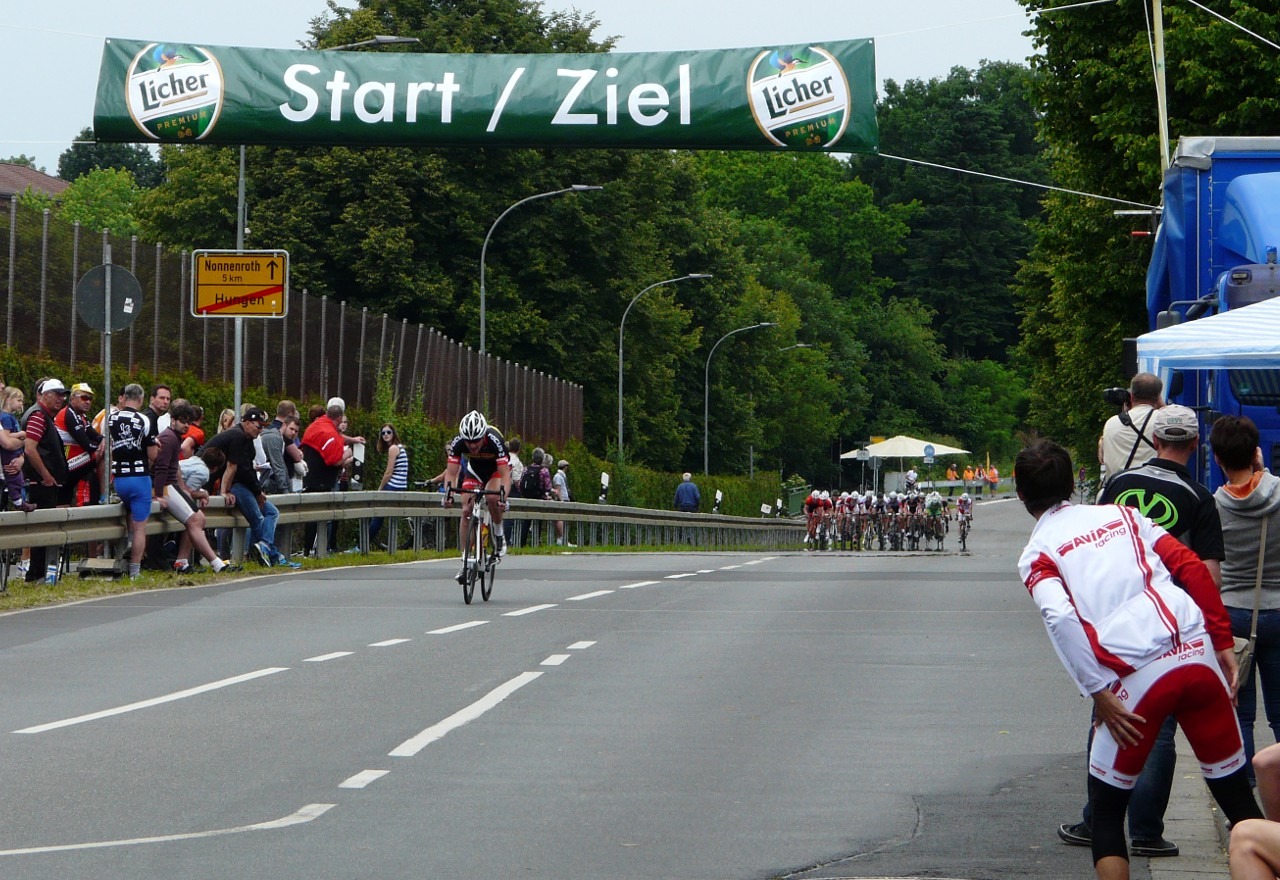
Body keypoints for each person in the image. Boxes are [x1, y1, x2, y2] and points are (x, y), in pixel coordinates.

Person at [1015, 439, 1261, 880]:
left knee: (1108, 814)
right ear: (1074, 482)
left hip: (1136, 678)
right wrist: (1222, 642)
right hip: (1195, 651)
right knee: (1236, 796)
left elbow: (1059, 615)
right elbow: (1188, 564)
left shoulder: (1038, 552)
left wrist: (1098, 692)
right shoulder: (1123, 515)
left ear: (1019, 492)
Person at [1058, 405, 1224, 857]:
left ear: (1154, 440)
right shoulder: (1198, 496)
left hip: (1113, 618)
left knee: (1108, 716)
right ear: (1194, 445)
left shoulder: (1117, 483)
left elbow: (1089, 546)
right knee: (1161, 728)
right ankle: (1147, 832)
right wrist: (1212, 633)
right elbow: (1206, 573)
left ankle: (1096, 821)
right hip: (1168, 623)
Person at [1210, 414, 1280, 781]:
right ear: (1256, 452)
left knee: (1242, 713)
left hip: (1233, 614)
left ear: (1218, 459)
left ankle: (1245, 797)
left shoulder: (1213, 507)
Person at [205, 406, 301, 570]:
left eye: (264, 426)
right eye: (259, 426)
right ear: (247, 422)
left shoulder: (247, 440)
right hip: (234, 484)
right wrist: (228, 491)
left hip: (239, 483)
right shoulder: (238, 436)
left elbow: (244, 468)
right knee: (258, 518)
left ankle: (265, 547)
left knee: (272, 512)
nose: (261, 430)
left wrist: (257, 491)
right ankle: (271, 554)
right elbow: (236, 468)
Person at [152, 402, 237, 574]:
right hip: (167, 488)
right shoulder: (169, 439)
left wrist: (183, 489)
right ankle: (216, 563)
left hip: (172, 486)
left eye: (188, 422)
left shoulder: (174, 437)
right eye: (182, 421)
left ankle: (182, 561)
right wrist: (158, 494)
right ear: (173, 420)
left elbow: (175, 467)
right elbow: (160, 468)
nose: (185, 425)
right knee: (196, 520)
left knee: (198, 519)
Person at [442, 410, 511, 583]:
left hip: (496, 471)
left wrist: (503, 498)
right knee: (465, 510)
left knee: (493, 498)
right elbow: (451, 474)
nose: (472, 446)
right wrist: (448, 495)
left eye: (476, 441)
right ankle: (465, 561)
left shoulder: (495, 440)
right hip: (475, 471)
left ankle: (498, 533)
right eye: (469, 442)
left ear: (483, 435)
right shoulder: (458, 442)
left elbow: (505, 475)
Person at [23, 378, 70, 582]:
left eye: (63, 394)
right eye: (56, 394)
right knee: (43, 532)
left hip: (43, 483)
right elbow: (30, 448)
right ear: (44, 395)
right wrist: (46, 476)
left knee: (44, 532)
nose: (61, 398)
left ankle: (39, 573)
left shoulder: (43, 416)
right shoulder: (38, 416)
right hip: (41, 484)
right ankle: (36, 574)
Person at [108, 384, 155, 581]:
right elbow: (152, 454)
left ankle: (127, 544)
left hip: (119, 478)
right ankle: (135, 572)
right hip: (139, 477)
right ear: (141, 399)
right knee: (140, 528)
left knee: (129, 517)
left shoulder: (111, 418)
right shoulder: (143, 419)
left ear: (124, 397)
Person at [300, 399, 353, 555]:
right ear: (338, 419)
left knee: (311, 518)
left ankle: (308, 549)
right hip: (322, 481)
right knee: (321, 517)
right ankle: (317, 549)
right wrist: (347, 455)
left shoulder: (314, 427)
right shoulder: (330, 433)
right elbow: (334, 460)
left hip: (309, 477)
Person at [1098, 372, 1163, 489]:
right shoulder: (1163, 421)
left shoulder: (1111, 424)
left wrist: (1126, 411)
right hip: (1153, 493)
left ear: (1131, 396)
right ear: (1158, 397)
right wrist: (1162, 406)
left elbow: (1102, 458)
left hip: (1118, 494)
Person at [55, 382, 102, 508]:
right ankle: (104, 493)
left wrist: (102, 441)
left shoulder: (81, 416)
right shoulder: (69, 414)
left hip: (72, 460)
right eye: (84, 398)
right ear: (72, 398)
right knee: (102, 452)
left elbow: (96, 436)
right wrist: (102, 445)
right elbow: (87, 444)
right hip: (65, 463)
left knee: (65, 498)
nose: (88, 402)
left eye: (90, 399)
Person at [368, 422, 408, 549]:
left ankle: (362, 544)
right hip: (401, 486)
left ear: (393, 434)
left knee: (377, 517)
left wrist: (380, 488)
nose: (385, 435)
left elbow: (388, 472)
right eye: (383, 433)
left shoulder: (393, 449)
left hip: (392, 486)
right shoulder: (400, 447)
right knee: (383, 516)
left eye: (388, 432)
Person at [0, 386, 32, 512]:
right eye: (19, 400)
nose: (21, 404)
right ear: (8, 399)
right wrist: (22, 436)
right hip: (8, 457)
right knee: (15, 480)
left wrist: (21, 457)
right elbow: (7, 442)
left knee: (17, 480)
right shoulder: (5, 417)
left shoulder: (9, 417)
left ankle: (18, 501)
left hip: (15, 456)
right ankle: (18, 502)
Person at [552, 458, 575, 547]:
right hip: (562, 500)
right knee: (560, 519)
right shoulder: (558, 476)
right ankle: (561, 538)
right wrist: (561, 500)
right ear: (565, 467)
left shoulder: (562, 476)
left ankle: (563, 539)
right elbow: (558, 489)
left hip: (565, 499)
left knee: (564, 520)